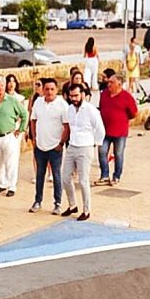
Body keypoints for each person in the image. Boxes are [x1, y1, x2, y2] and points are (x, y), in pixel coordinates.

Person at [60, 83, 104, 222]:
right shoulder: (70, 110)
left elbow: (100, 129)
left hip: (85, 147)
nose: (74, 98)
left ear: (83, 95)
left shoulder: (91, 110)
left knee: (83, 180)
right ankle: (72, 205)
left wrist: (95, 144)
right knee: (65, 177)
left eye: (76, 95)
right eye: (71, 96)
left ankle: (86, 209)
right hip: (72, 146)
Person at [28, 77, 67, 214]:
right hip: (40, 146)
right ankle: (37, 201)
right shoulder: (38, 102)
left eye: (52, 89)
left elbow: (67, 126)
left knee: (56, 175)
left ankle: (58, 203)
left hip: (55, 147)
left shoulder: (62, 105)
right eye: (47, 89)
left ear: (56, 90)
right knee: (40, 175)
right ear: (43, 90)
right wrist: (34, 139)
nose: (49, 92)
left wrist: (61, 143)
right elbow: (33, 120)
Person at [0, 76, 29, 197]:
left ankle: (12, 185)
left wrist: (20, 130)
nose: (0, 88)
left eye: (2, 85)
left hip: (9, 135)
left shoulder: (12, 100)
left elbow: (24, 114)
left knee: (11, 161)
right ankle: (2, 183)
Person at [97, 71, 138, 186]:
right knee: (102, 152)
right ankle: (104, 175)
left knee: (118, 154)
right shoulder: (104, 94)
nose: (109, 84)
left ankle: (116, 176)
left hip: (120, 132)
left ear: (119, 84)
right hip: (105, 130)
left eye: (112, 82)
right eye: (109, 82)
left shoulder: (127, 97)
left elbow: (134, 113)